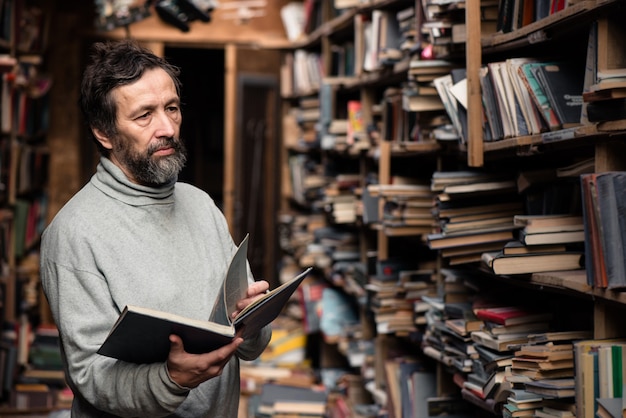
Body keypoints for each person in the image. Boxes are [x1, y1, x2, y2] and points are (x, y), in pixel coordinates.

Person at [40, 39, 272, 417]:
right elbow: (90, 376)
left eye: (172, 108)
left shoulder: (202, 205)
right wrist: (171, 379)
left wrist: (253, 320)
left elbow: (249, 343)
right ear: (104, 133)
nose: (166, 127)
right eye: (144, 115)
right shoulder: (73, 234)